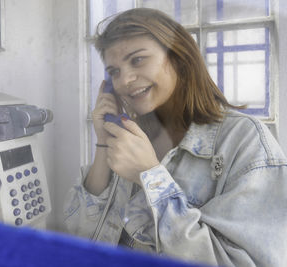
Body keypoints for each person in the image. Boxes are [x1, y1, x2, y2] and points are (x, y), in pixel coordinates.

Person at [64, 7, 287, 267]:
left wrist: (150, 176)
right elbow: (80, 237)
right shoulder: (132, 137)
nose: (124, 80)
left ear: (179, 57)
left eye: (137, 60)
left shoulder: (246, 141)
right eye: (114, 71)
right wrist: (103, 143)